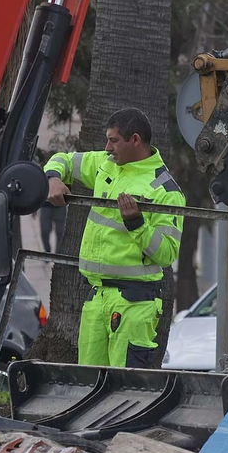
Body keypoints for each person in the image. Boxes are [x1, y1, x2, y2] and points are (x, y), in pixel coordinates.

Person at [43, 107, 185, 367]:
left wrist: (137, 224)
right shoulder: (106, 164)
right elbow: (61, 159)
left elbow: (167, 254)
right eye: (107, 139)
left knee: (126, 391)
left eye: (114, 140)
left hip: (135, 304)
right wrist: (53, 179)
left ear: (135, 140)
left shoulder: (165, 189)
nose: (107, 147)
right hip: (97, 297)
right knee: (90, 386)